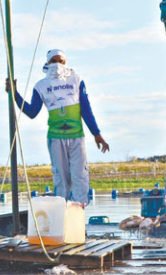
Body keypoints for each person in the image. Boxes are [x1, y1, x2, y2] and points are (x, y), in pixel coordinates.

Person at [8, 49, 109, 205]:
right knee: (61, 178)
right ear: (47, 64)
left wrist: (96, 133)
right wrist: (15, 94)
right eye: (53, 61)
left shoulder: (76, 80)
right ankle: (61, 211)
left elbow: (86, 109)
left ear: (65, 62)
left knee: (79, 176)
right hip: (55, 138)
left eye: (60, 61)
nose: (57, 64)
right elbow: (32, 112)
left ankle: (79, 212)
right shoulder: (41, 86)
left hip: (76, 137)